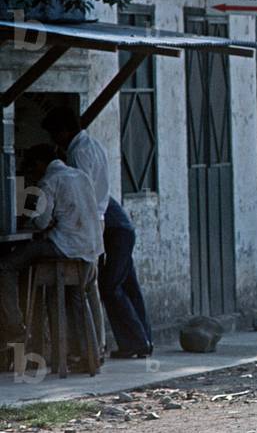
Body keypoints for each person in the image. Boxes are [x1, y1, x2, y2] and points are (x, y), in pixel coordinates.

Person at [0, 144, 103, 352]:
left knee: (5, 267)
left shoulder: (49, 181)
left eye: (32, 169)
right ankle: (87, 352)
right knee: (77, 298)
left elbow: (40, 222)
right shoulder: (81, 176)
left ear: (40, 164)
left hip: (65, 247)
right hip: (91, 247)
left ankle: (15, 327)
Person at [41, 107, 108, 355]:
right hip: (93, 223)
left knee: (82, 293)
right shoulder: (93, 145)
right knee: (90, 290)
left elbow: (80, 194)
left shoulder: (78, 153)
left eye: (55, 135)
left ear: (64, 132)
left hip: (82, 224)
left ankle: (86, 348)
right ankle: (94, 347)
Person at [100, 199, 154, 358]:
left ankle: (137, 342)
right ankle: (143, 340)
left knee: (110, 287)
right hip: (121, 231)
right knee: (129, 288)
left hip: (117, 233)